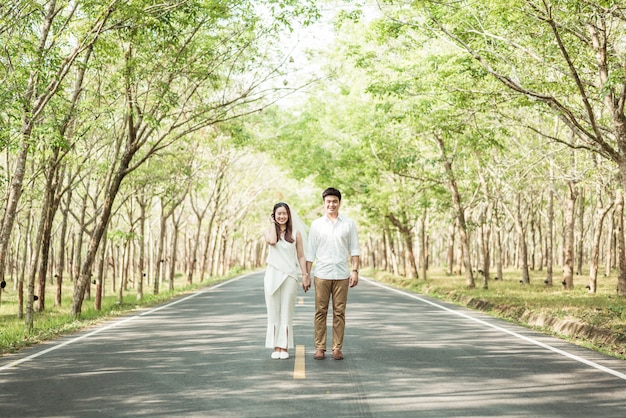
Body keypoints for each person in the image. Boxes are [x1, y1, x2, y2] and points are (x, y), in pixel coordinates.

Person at [303, 187, 359, 361]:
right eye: (328, 201)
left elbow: (354, 249)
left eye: (335, 201)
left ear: (339, 203)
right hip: (322, 274)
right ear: (323, 203)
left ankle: (337, 348)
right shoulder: (316, 225)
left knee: (339, 312)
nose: (331, 204)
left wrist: (355, 271)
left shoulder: (349, 224)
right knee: (320, 311)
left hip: (342, 274)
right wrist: (306, 274)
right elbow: (310, 251)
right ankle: (320, 347)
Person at [263, 202, 309, 360]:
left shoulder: (295, 233)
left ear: (289, 215)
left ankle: (284, 347)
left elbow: (301, 256)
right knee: (273, 311)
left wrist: (305, 275)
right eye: (278, 214)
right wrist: (272, 224)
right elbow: (272, 241)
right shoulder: (268, 231)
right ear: (274, 215)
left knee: (286, 313)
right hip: (272, 275)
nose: (281, 216)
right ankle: (275, 346)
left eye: (284, 213)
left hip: (289, 275)